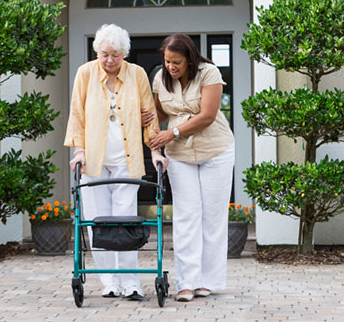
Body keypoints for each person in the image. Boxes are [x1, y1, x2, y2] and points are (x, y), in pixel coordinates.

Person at [64, 23, 167, 301]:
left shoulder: (137, 74)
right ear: (97, 51)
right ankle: (109, 282)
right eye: (104, 54)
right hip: (94, 162)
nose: (110, 60)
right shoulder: (85, 73)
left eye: (116, 55)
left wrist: (156, 151)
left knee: (125, 224)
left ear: (125, 54)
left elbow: (150, 117)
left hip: (126, 160)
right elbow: (77, 115)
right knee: (100, 223)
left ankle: (131, 283)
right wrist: (79, 150)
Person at [148, 33, 235, 302]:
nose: (171, 67)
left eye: (176, 62)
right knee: (186, 217)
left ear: (190, 59)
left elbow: (207, 116)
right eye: (167, 62)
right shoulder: (160, 78)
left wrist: (171, 132)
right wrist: (150, 115)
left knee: (212, 217)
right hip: (180, 155)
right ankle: (186, 283)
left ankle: (207, 281)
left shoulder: (209, 73)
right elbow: (161, 112)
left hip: (215, 150)